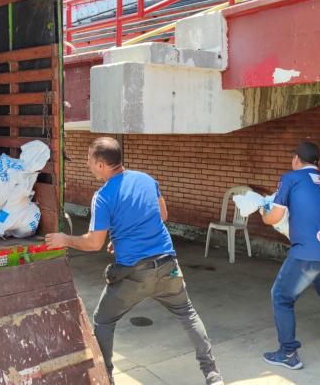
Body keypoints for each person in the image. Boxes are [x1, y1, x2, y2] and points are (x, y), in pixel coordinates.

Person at [45, 137, 224, 385]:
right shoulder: (147, 179)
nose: (86, 163)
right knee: (188, 314)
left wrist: (65, 239)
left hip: (134, 274)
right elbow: (162, 214)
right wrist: (121, 239)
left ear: (100, 164)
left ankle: (106, 376)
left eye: (88, 159)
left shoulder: (104, 196)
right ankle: (213, 375)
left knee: (103, 320)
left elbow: (94, 243)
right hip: (168, 266)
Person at [260, 141, 320, 369]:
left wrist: (263, 211)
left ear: (296, 159)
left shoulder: (291, 178)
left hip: (309, 252)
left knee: (281, 296)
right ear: (316, 161)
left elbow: (274, 217)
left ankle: (288, 353)